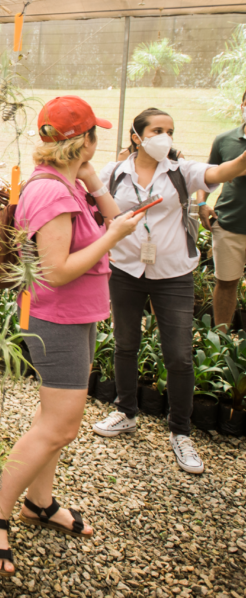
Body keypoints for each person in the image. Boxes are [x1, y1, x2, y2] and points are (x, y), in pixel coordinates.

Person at [0, 96, 141, 577]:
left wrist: (93, 182)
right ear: (83, 141)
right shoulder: (51, 193)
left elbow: (115, 223)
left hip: (77, 317)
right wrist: (112, 236)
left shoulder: (70, 184)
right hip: (58, 320)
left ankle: (40, 502)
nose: (98, 141)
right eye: (95, 134)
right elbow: (58, 270)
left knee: (53, 419)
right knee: (61, 426)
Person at [93, 107, 246, 474]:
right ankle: (125, 411)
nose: (165, 136)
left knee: (178, 355)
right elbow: (92, 208)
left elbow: (227, 170)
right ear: (137, 136)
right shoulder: (113, 173)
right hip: (125, 269)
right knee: (125, 344)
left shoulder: (183, 172)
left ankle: (181, 432)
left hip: (174, 274)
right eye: (157, 130)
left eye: (170, 130)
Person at [196, 88, 246, 331]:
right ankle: (221, 340)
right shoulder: (224, 140)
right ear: (242, 104)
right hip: (229, 225)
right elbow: (206, 176)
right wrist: (202, 203)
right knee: (226, 282)